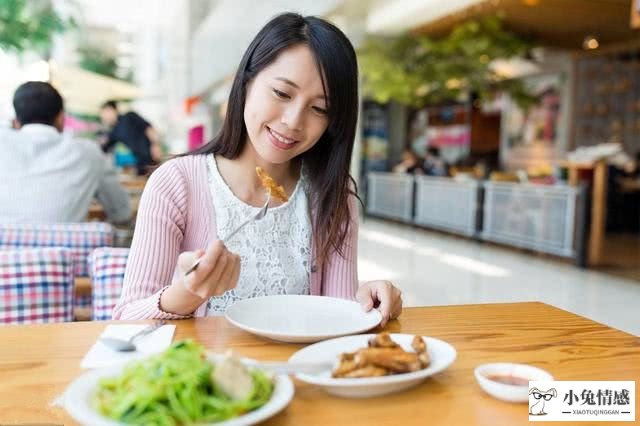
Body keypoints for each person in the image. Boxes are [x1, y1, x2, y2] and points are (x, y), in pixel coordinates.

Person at [113, 13, 403, 324]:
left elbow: (336, 317)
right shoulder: (176, 183)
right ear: (247, 81)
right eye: (281, 93)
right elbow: (126, 319)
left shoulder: (334, 196)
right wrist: (189, 291)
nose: (293, 121)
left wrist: (366, 301)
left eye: (319, 108)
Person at [0, 81, 131, 224]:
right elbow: (122, 212)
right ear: (61, 118)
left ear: (16, 121)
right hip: (64, 245)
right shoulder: (88, 153)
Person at [99, 100, 163, 176]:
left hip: (151, 156)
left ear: (112, 110)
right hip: (140, 162)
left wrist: (156, 145)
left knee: (159, 178)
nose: (104, 117)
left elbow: (148, 128)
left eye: (105, 113)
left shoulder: (129, 116)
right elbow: (104, 148)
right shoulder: (114, 131)